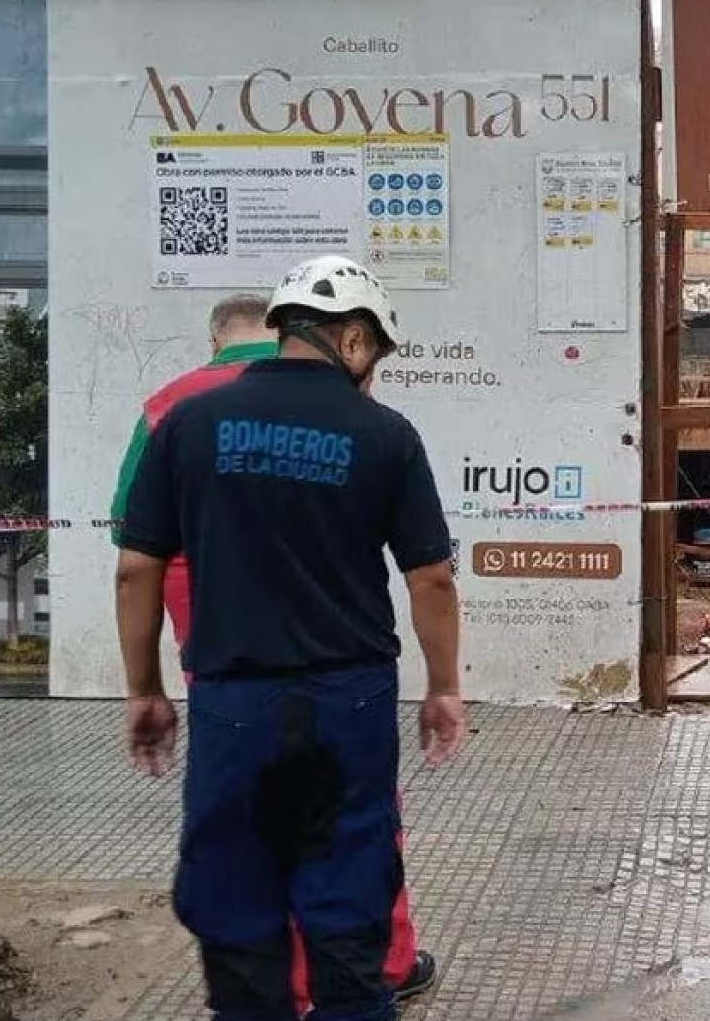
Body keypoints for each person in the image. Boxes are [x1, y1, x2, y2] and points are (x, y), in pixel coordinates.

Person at [114, 255, 467, 1021]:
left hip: (231, 702)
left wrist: (144, 690)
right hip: (350, 703)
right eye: (373, 349)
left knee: (236, 912)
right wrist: (444, 687)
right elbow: (431, 579)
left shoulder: (188, 424)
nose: (371, 368)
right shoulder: (386, 435)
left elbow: (136, 569)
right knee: (348, 909)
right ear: (348, 337)